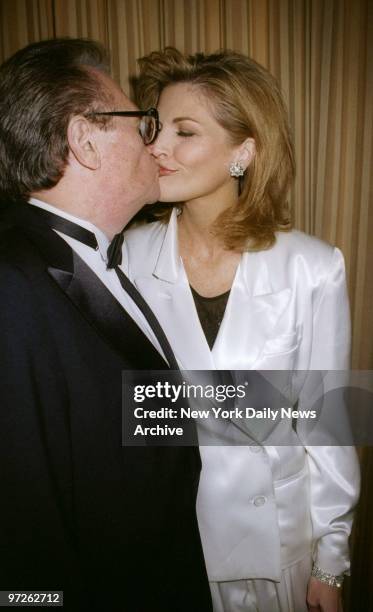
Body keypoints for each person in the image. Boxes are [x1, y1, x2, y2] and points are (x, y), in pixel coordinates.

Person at [123, 48, 360, 612]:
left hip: (278, 545)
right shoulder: (123, 260)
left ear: (244, 151)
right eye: (156, 127)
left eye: (184, 132)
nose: (155, 147)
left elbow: (328, 422)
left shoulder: (313, 266)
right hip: (167, 540)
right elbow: (125, 413)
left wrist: (333, 560)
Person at [0, 39, 212, 612]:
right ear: (84, 140)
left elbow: (141, 411)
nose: (157, 143)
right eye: (143, 123)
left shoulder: (98, 258)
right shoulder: (11, 288)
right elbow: (20, 541)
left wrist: (323, 407)